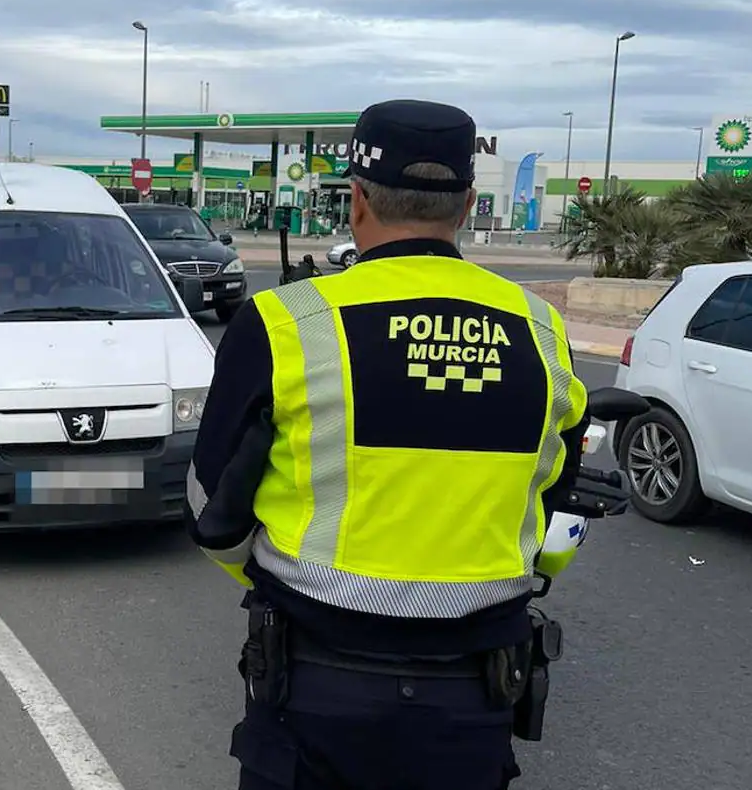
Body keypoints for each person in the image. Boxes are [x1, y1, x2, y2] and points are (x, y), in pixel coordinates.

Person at [185, 99, 590, 790]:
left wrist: (260, 574)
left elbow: (210, 496)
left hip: (314, 684)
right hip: (474, 692)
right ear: (466, 206)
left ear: (356, 202)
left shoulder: (285, 321)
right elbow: (554, 493)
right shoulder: (541, 330)